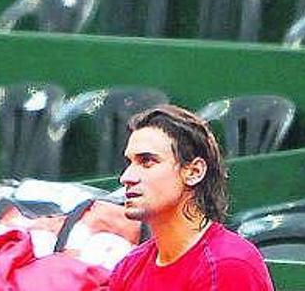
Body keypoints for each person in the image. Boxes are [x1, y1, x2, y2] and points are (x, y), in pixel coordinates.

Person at [109, 105, 273, 290]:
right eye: (129, 163)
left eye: (147, 161)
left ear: (194, 172)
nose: (126, 177)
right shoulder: (128, 267)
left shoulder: (228, 265)